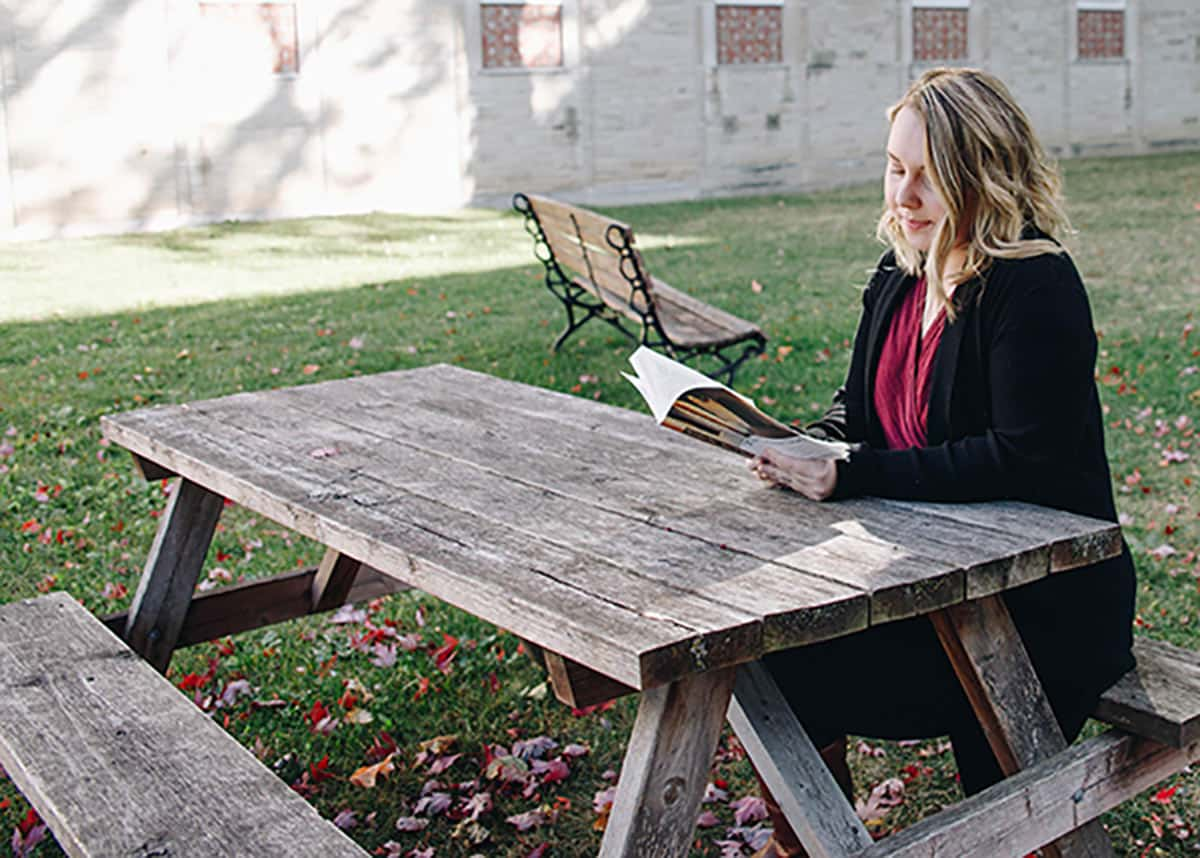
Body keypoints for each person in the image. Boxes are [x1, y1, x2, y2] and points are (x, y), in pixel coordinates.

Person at [745, 67, 1136, 858]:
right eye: (896, 169)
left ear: (986, 176)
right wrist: (800, 444)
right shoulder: (897, 275)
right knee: (771, 668)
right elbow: (861, 411)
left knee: (997, 784)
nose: (906, 196)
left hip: (1043, 609)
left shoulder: (1034, 285)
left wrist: (852, 474)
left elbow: (1021, 460)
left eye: (932, 176)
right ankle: (815, 844)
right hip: (929, 589)